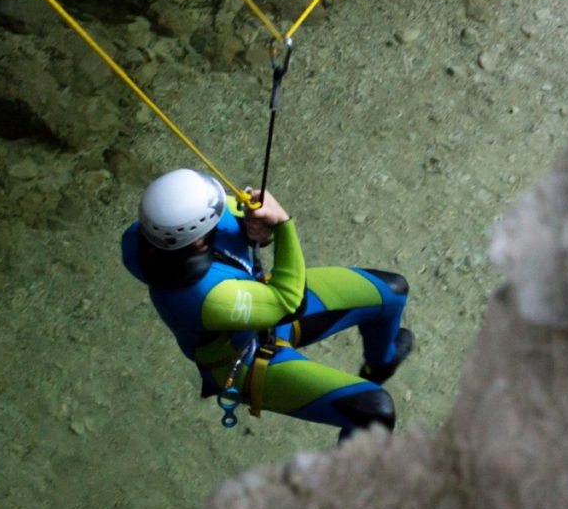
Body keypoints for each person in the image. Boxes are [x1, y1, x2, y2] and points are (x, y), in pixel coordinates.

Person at [121, 168, 414, 441]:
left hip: (260, 311)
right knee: (376, 411)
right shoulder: (202, 297)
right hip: (243, 362)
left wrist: (259, 224)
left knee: (393, 291)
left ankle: (381, 364)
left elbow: (240, 216)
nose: (226, 207)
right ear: (197, 240)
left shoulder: (155, 235)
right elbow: (290, 303)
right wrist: (284, 226)